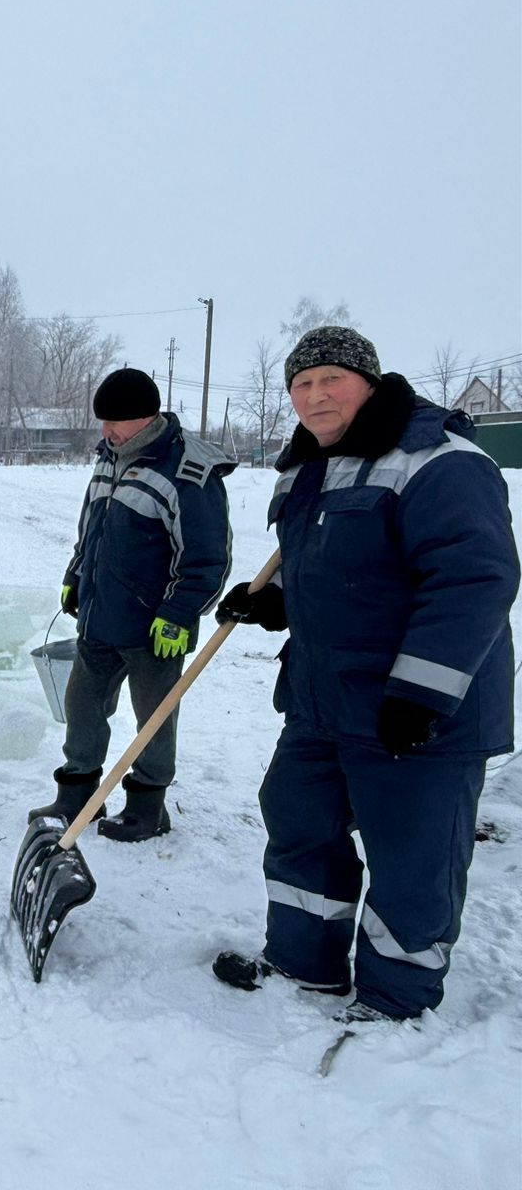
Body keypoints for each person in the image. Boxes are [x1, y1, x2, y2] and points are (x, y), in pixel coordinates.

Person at [212, 326, 518, 1023]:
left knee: (410, 855)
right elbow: (339, 573)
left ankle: (394, 998)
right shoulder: (309, 468)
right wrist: (273, 603)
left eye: (331, 380)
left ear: (370, 384)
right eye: (301, 384)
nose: (315, 396)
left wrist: (420, 694)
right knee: (297, 816)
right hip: (326, 700)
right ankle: (303, 962)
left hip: (417, 709)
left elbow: (473, 580)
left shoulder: (438, 460)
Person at [27, 368, 234, 840]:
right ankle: (77, 795)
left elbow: (206, 557)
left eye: (113, 422)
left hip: (154, 627)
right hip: (101, 617)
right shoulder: (110, 457)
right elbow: (92, 530)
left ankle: (147, 806)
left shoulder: (185, 470)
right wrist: (76, 575)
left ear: (147, 417)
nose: (105, 432)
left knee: (153, 719)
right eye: (103, 422)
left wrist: (178, 614)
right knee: (82, 704)